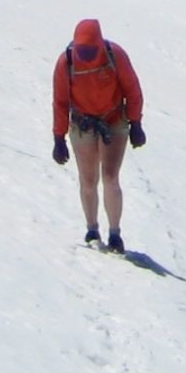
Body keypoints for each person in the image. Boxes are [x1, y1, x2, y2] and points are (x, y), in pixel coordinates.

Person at [51, 17, 145, 251]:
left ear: (100, 45)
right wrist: (58, 137)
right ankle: (92, 229)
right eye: (82, 49)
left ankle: (114, 234)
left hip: (113, 120)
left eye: (91, 50)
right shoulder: (66, 62)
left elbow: (133, 90)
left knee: (110, 177)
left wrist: (135, 123)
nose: (86, 55)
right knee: (88, 179)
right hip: (83, 123)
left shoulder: (115, 56)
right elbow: (60, 102)